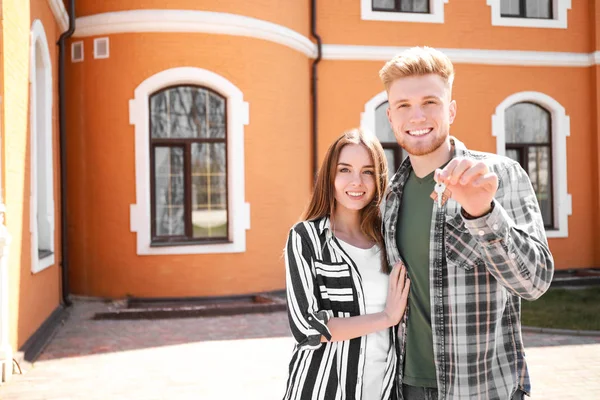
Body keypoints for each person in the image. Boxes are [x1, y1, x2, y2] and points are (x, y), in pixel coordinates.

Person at [378, 46, 554, 400]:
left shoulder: (500, 175)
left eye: (430, 102)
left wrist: (483, 213)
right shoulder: (389, 196)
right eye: (403, 106)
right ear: (391, 118)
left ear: (451, 110)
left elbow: (535, 282)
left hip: (483, 389)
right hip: (406, 386)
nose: (417, 116)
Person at [283, 128, 411, 400]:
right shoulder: (307, 238)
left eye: (367, 171)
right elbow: (307, 327)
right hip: (321, 390)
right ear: (330, 176)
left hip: (383, 389)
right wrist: (386, 317)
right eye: (345, 170)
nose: (357, 182)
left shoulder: (389, 240)